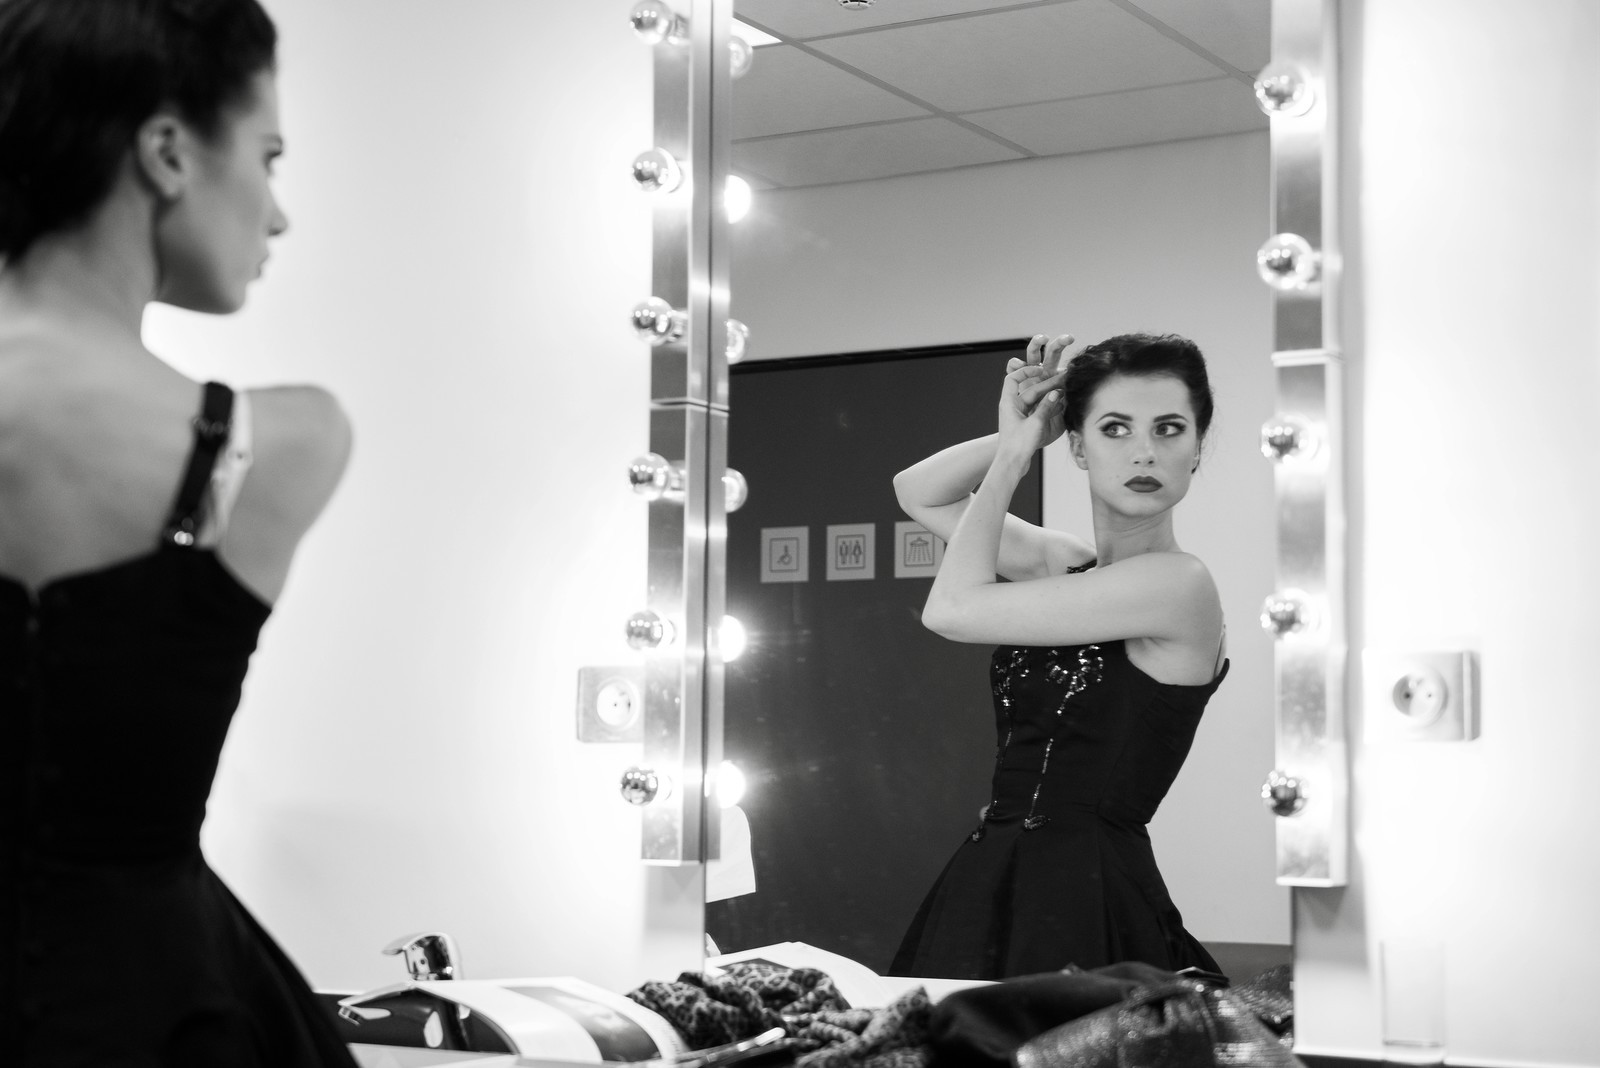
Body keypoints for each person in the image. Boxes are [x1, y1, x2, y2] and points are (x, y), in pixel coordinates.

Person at [0, 0, 357, 1063]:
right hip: (159, 1010)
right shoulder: (284, 443)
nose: (277, 215)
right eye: (268, 155)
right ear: (165, 152)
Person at [888, 332, 1227, 981]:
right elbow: (917, 491)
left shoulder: (1179, 586)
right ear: (1076, 446)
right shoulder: (1065, 563)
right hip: (987, 882)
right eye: (1115, 428)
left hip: (1090, 900)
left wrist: (1015, 461)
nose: (1144, 451)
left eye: (1169, 429)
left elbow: (950, 609)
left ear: (1196, 448)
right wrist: (1019, 436)